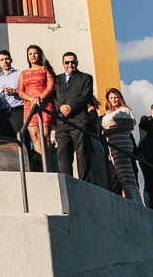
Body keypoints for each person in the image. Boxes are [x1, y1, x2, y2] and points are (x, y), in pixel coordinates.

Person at [53, 53, 95, 181]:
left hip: (79, 121)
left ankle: (84, 183)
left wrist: (70, 107)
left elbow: (86, 96)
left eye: (73, 62)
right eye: (67, 62)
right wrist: (60, 107)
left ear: (77, 63)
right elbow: (53, 98)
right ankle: (67, 181)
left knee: (82, 155)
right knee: (63, 154)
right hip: (62, 122)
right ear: (63, 63)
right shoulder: (56, 80)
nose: (70, 65)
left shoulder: (86, 78)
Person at [100, 88, 141, 203]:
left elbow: (129, 126)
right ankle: (134, 199)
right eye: (111, 98)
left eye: (116, 97)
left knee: (125, 173)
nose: (114, 100)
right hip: (111, 144)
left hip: (122, 142)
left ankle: (132, 198)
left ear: (120, 98)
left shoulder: (124, 110)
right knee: (122, 173)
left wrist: (111, 131)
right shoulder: (107, 113)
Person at [18, 45, 56, 152]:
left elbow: (50, 87)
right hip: (30, 106)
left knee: (45, 137)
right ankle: (40, 162)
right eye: (30, 54)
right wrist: (32, 100)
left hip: (45, 104)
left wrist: (39, 99)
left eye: (35, 53)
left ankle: (47, 161)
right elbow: (21, 92)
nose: (33, 56)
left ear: (40, 55)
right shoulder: (24, 73)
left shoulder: (46, 69)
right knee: (35, 137)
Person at [0, 50, 24, 143]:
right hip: (2, 114)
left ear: (11, 60)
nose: (5, 61)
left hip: (18, 111)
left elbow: (28, 91)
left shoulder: (21, 74)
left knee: (22, 140)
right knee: (5, 143)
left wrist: (16, 91)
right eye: (2, 60)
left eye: (7, 59)